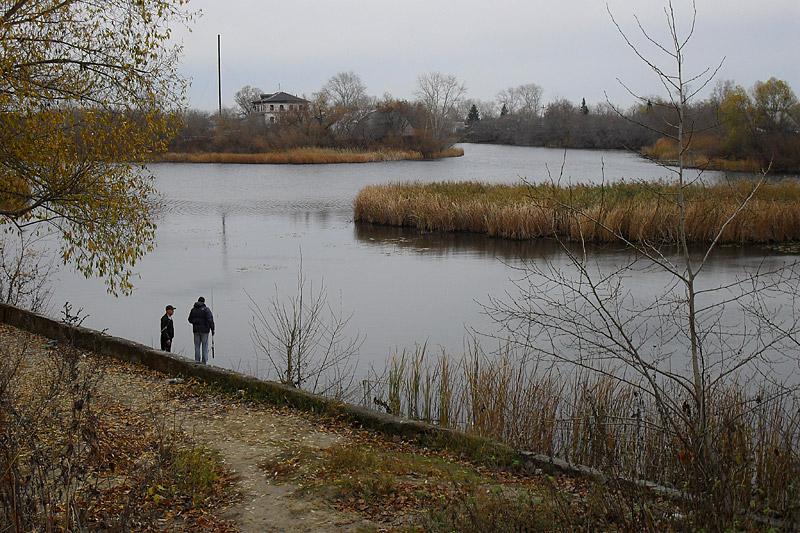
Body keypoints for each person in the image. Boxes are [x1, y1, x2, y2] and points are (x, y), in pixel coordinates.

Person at [188, 296, 215, 364]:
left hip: (196, 331)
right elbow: (210, 320)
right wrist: (212, 329)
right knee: (205, 346)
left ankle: (197, 361)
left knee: (197, 346)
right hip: (205, 331)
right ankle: (204, 362)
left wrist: (195, 322)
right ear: (203, 302)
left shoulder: (193, 310)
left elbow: (189, 320)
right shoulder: (206, 310)